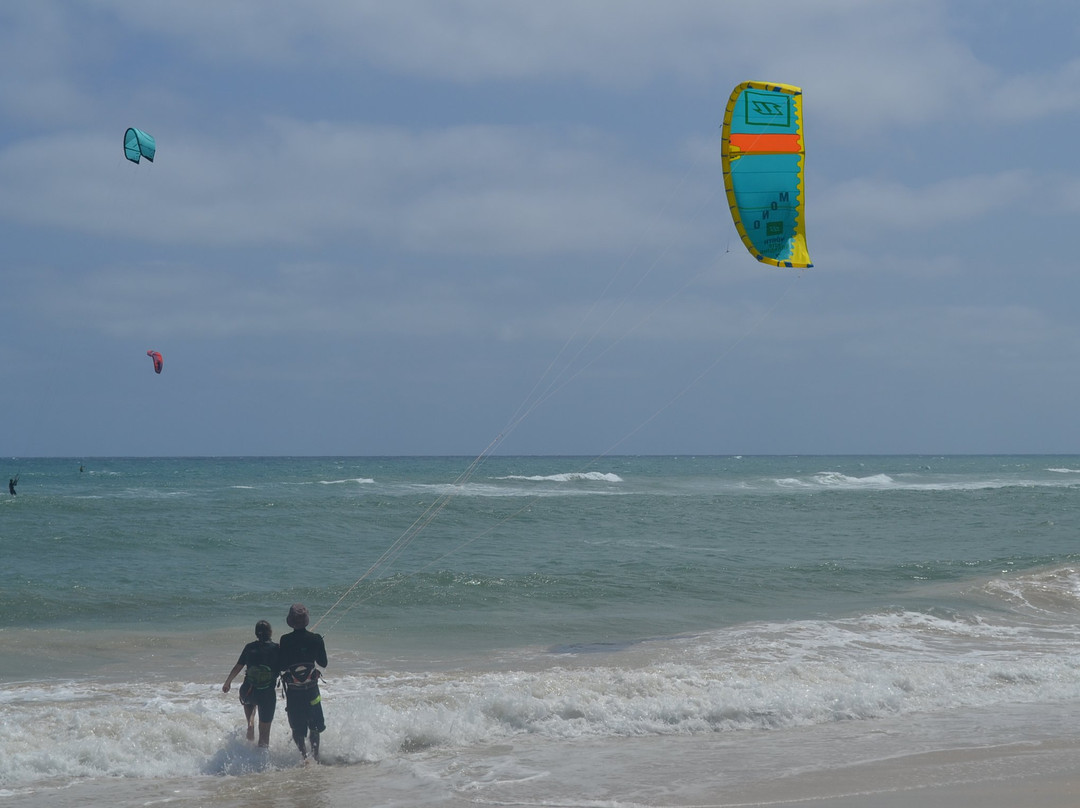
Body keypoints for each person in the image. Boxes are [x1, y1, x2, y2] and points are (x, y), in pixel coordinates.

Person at [278, 603, 327, 762]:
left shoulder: (285, 640)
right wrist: (317, 645)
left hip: (294, 692)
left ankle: (304, 757)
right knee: (314, 726)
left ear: (291, 622)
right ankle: (316, 756)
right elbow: (323, 663)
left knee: (297, 727)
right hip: (312, 690)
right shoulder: (316, 639)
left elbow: (282, 666)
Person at [222, 620, 280, 747]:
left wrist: (227, 682)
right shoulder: (276, 648)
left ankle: (250, 722)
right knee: (264, 735)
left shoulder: (249, 647)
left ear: (256, 633)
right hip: (267, 695)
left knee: (250, 702)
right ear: (270, 632)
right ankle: (261, 757)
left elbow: (238, 667)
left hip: (248, 692)